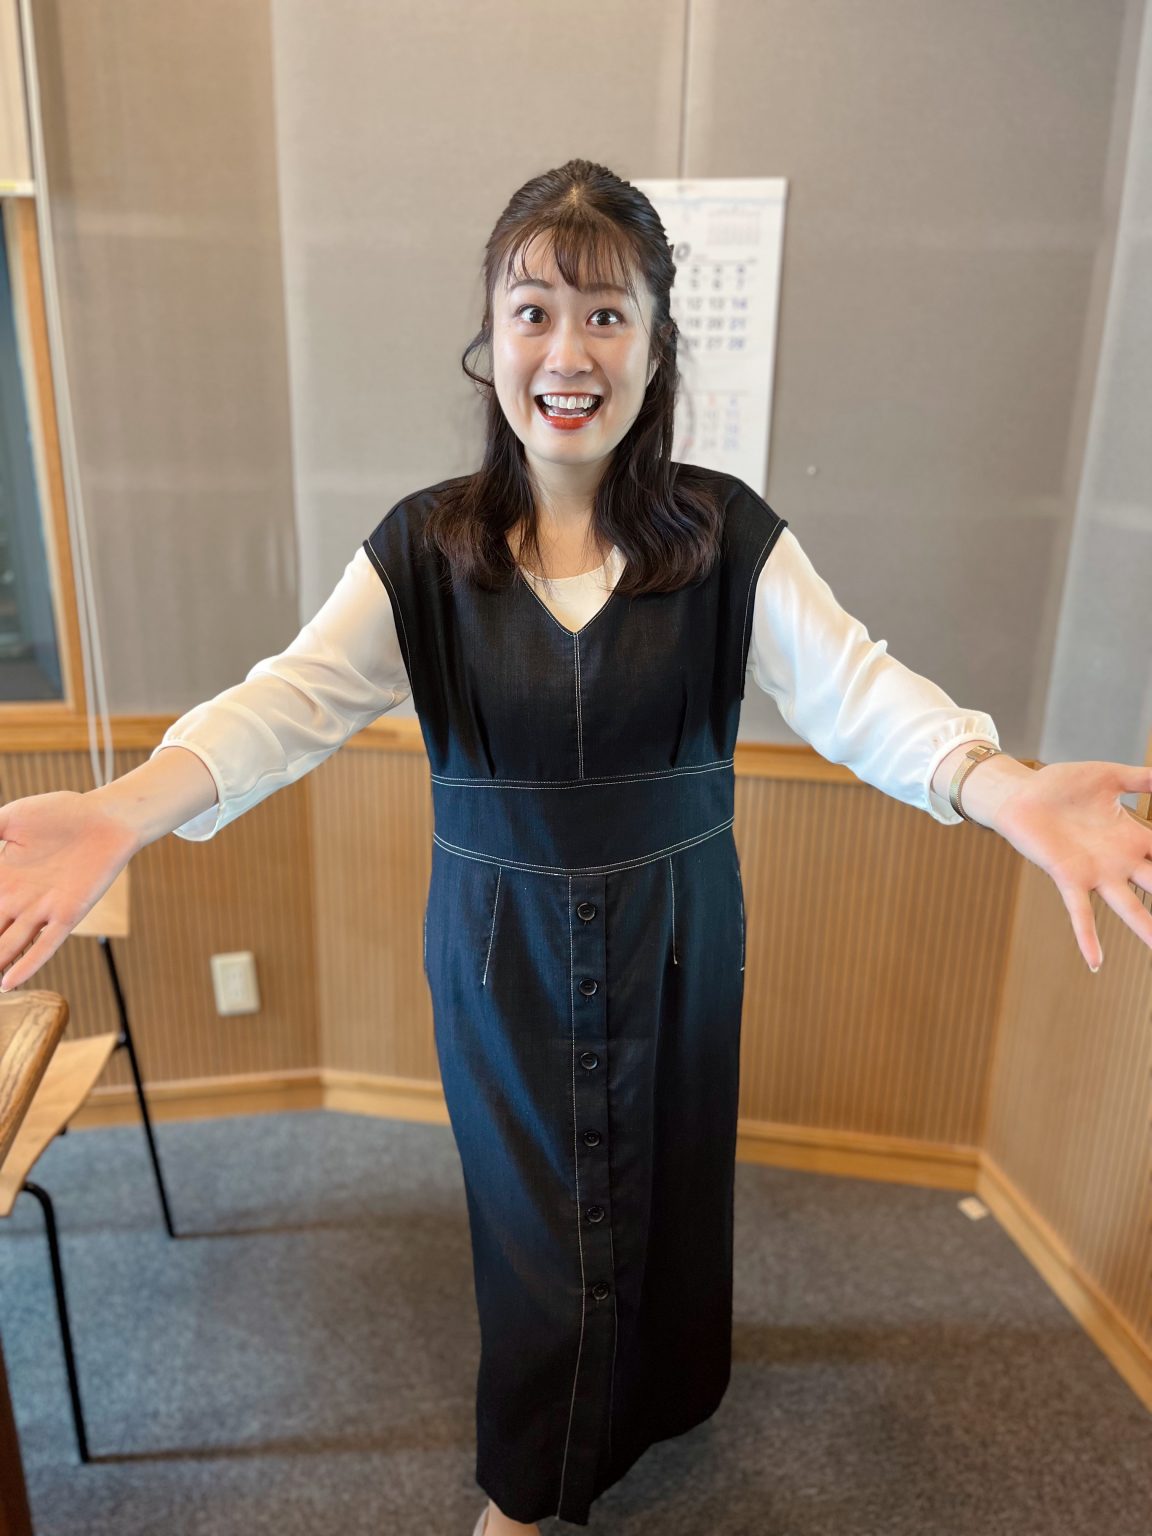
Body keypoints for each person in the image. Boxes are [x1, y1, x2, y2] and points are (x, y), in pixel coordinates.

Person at [1, 160, 1150, 1534]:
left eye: (607, 315)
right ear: (491, 339)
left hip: (680, 936)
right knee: (538, 1218)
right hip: (500, 956)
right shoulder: (425, 547)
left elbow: (857, 691)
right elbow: (285, 703)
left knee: (666, 1181)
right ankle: (528, 1491)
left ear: (656, 349)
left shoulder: (724, 534)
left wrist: (1001, 786)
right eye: (534, 310)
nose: (568, 352)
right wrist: (126, 807)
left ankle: (656, 1400)